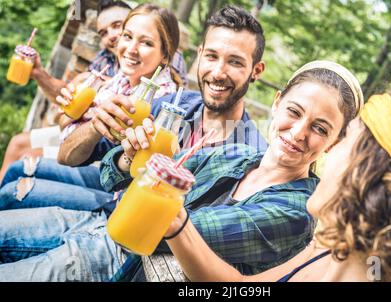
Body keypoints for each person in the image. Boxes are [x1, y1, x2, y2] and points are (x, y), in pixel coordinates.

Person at [0, 60, 363, 281]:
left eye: (320, 128)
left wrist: (149, 180)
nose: (299, 133)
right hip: (98, 226)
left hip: (111, 261)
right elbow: (113, 177)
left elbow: (155, 230)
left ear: (333, 142)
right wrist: (131, 155)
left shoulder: (295, 211)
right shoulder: (237, 154)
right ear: (277, 101)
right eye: (295, 112)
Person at [161, 87, 391, 282]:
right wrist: (177, 224)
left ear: (375, 176)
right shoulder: (333, 245)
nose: (330, 152)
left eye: (344, 139)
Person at [0, 5, 269, 212]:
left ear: (256, 70)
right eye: (211, 56)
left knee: (15, 186)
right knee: (14, 179)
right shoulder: (169, 106)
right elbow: (92, 162)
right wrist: (103, 135)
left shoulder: (251, 153)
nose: (218, 72)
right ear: (199, 55)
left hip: (122, 220)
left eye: (235, 62)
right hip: (114, 199)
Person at [0, 3, 181, 211]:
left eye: (146, 42)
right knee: (16, 163)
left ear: (165, 55)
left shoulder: (157, 100)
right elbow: (66, 118)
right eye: (127, 36)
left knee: (14, 186)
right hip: (80, 151)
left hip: (111, 186)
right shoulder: (120, 75)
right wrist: (72, 109)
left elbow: (92, 156)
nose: (129, 48)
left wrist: (84, 115)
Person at [0, 0, 132, 182]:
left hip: (99, 143)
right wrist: (39, 74)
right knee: (17, 143)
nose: (111, 36)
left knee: (27, 155)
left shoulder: (146, 59)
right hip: (75, 126)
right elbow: (74, 95)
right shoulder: (106, 58)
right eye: (103, 32)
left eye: (117, 26)